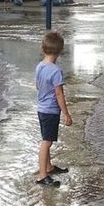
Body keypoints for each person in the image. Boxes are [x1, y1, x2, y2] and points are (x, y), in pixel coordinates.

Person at [34, 31, 72, 187]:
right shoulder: (56, 71)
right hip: (51, 110)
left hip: (41, 108)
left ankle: (48, 167)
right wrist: (66, 114)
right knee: (47, 142)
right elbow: (59, 94)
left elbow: (37, 86)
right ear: (61, 51)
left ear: (43, 49)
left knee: (46, 138)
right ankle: (42, 176)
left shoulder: (40, 66)